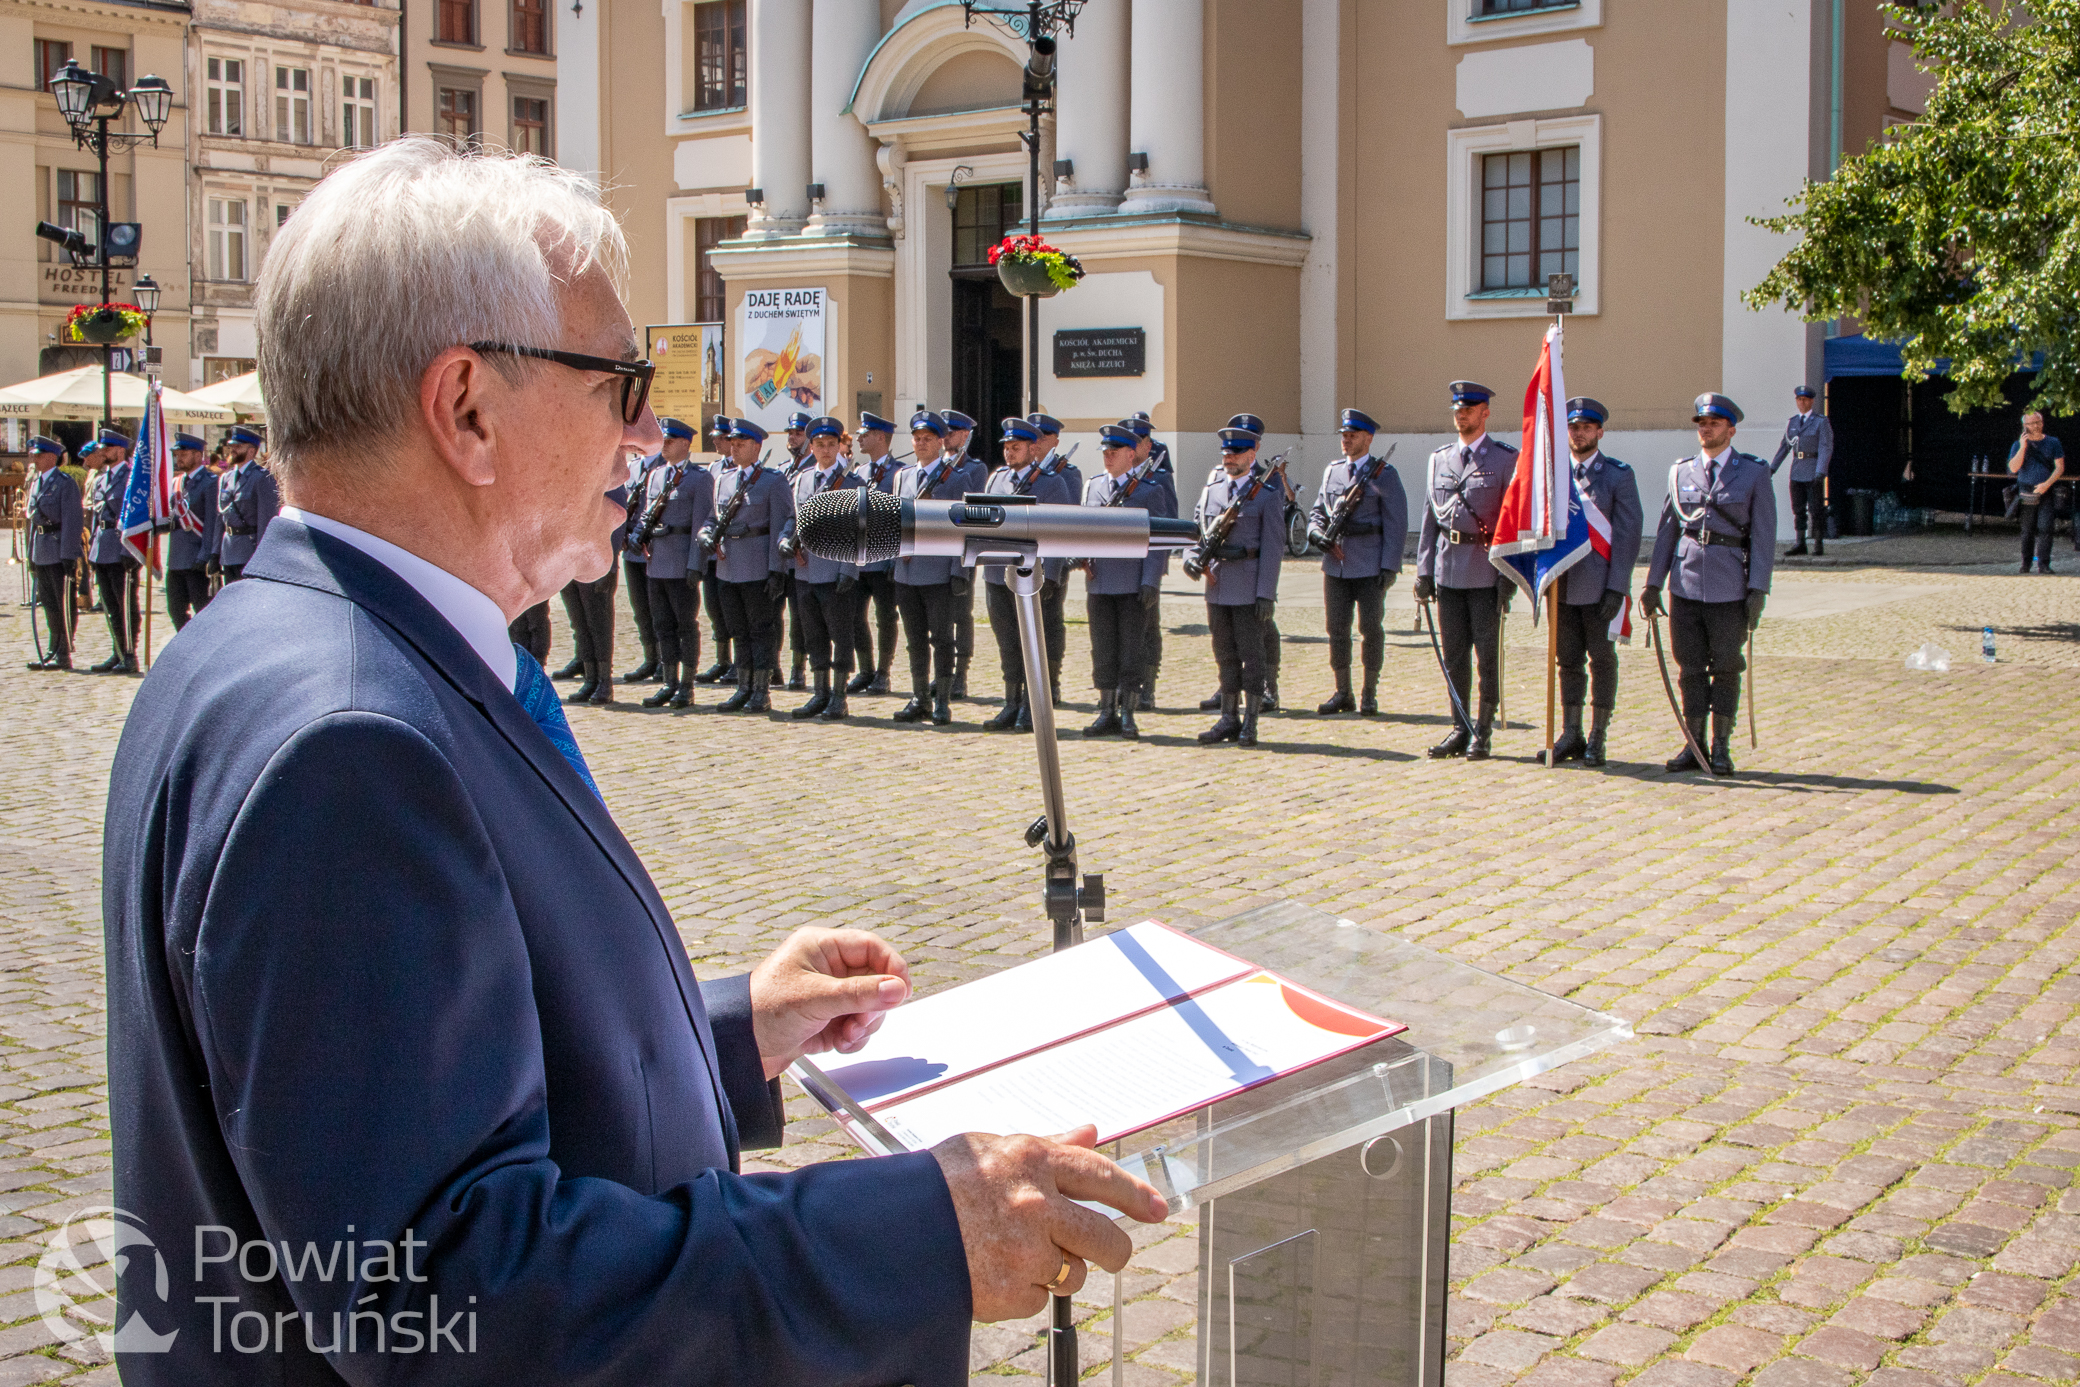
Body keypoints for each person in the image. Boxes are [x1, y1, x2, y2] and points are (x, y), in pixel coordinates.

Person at [104, 138, 1163, 1387]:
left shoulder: (305, 644)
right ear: (467, 410)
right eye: (620, 378)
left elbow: (412, 1076)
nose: (650, 429)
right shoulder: (350, 739)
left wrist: (720, 1033)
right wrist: (918, 1229)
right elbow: (452, 1290)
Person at [1640, 392, 1776, 775]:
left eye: (1714, 423)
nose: (1706, 429)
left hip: (1730, 585)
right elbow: (1668, 531)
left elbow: (1764, 537)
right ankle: (1693, 743)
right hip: (1685, 584)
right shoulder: (1680, 471)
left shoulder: (1753, 473)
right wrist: (1653, 584)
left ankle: (1720, 746)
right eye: (1701, 423)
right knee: (1690, 668)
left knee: (1727, 666)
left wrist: (1758, 589)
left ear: (1731, 431)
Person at [1414, 382, 1517, 760]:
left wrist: (1510, 572)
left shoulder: (1505, 459)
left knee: (1487, 656)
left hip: (1487, 571)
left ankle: (1483, 731)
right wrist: (1424, 569)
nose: (1462, 413)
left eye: (1470, 408)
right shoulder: (1439, 459)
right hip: (1448, 569)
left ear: (1485, 412)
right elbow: (1429, 520)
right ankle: (1460, 726)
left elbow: (1513, 521)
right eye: (1458, 407)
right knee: (1454, 655)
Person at [1541, 398, 1642, 767]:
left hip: (1600, 586)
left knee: (1601, 659)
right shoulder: (1552, 476)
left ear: (1599, 432)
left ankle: (1598, 735)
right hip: (1561, 585)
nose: (1578, 433)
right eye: (1573, 427)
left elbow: (1629, 536)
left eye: (1585, 427)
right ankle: (1571, 731)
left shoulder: (1617, 475)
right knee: (1566, 660)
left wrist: (1618, 587)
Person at [1306, 407, 1407, 716]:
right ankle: (1342, 691)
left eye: (1352, 435)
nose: (1346, 440)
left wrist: (1389, 566)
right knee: (1336, 629)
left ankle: (1369, 692)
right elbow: (1317, 513)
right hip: (1335, 566)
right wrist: (1315, 535)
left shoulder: (1384, 475)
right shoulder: (1332, 471)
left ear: (1369, 438)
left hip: (1369, 564)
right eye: (1344, 435)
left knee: (1370, 628)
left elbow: (1396, 522)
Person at [1082, 422, 1175, 739]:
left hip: (1133, 584)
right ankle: (1106, 710)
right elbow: (1084, 531)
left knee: (1131, 650)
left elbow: (1157, 541)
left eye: (1114, 452)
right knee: (1102, 649)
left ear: (1131, 454)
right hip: (1100, 582)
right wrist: (1081, 558)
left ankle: (1128, 713)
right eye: (1105, 452)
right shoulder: (1093, 487)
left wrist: (1151, 581)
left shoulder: (1149, 490)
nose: (1108, 457)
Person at [1193, 425, 1285, 746]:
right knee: (1224, 655)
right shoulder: (1212, 490)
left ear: (1251, 455)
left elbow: (1273, 549)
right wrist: (1193, 558)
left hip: (1248, 588)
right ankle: (1228, 718)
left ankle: (1251, 721)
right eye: (1225, 453)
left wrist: (1266, 594)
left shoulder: (1267, 496)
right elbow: (1199, 531)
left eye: (1235, 453)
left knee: (1252, 656)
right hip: (1217, 586)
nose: (1228, 458)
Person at [983, 417, 1075, 731]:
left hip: (1031, 576)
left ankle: (1031, 705)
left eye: (1016, 447)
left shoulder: (1051, 483)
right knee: (1007, 642)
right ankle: (1010, 701)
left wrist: (1052, 574)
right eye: (1007, 448)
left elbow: (1059, 531)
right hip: (998, 574)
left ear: (1032, 449)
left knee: (1034, 642)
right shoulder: (996, 480)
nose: (1009, 453)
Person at [891, 410, 976, 725]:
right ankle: (919, 697)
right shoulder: (902, 476)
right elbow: (894, 523)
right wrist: (893, 560)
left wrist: (959, 571)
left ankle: (942, 700)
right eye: (917, 438)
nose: (922, 443)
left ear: (941, 442)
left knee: (941, 638)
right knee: (914, 640)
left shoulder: (955, 478)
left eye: (928, 439)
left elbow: (963, 528)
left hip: (939, 571)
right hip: (907, 571)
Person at [782, 415, 864, 720]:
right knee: (811, 632)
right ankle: (819, 693)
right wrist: (783, 540)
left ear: (839, 447)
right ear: (812, 447)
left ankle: (839, 696)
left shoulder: (852, 483)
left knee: (840, 633)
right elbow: (793, 518)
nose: (825, 450)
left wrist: (849, 570)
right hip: (805, 568)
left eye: (831, 444)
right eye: (819, 444)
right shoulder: (802, 480)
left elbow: (858, 530)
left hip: (834, 569)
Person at [710, 417, 793, 713]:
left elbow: (781, 524)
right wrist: (706, 533)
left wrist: (777, 570)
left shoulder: (773, 480)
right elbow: (713, 518)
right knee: (738, 630)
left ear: (757, 446)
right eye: (732, 443)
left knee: (761, 630)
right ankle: (742, 687)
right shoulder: (722, 480)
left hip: (758, 568)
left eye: (741, 443)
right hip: (728, 567)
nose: (734, 448)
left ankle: (761, 690)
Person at [637, 417, 717, 708]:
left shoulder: (699, 478)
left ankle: (687, 685)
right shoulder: (656, 475)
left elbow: (702, 522)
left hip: (682, 562)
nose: (665, 446)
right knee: (662, 625)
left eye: (669, 441)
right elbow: (647, 516)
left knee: (685, 625)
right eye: (663, 441)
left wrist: (696, 565)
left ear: (685, 443)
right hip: (657, 562)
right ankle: (669, 682)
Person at [559, 461, 626, 705]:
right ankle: (589, 679)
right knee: (580, 622)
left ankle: (604, 682)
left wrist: (609, 562)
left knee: (599, 623)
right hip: (570, 561)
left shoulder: (606, 473)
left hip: (596, 561)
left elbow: (618, 519)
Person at [847, 411, 903, 695]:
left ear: (880, 437)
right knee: (856, 616)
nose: (859, 438)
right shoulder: (858, 473)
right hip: (860, 560)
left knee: (885, 617)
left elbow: (900, 520)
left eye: (865, 434)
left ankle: (883, 672)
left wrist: (894, 557)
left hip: (884, 559)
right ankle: (865, 669)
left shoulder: (899, 473)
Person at [1124, 413, 1172, 710]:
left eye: (1136, 441)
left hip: (1146, 565)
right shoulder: (1114, 477)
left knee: (1148, 628)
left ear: (1147, 445)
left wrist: (1155, 573)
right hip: (1119, 567)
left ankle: (1148, 686)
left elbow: (1167, 526)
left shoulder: (1160, 478)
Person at [21, 435, 81, 671]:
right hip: (41, 548)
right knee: (48, 603)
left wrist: (69, 554)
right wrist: (30, 554)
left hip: (58, 549)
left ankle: (64, 651)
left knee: (63, 603)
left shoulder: (65, 483)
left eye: (38, 455)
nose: (33, 459)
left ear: (51, 457)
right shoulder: (36, 482)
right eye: (33, 455)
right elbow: (32, 521)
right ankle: (52, 648)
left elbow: (72, 520)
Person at [83, 430, 140, 673]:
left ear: (119, 451)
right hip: (102, 547)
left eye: (107, 448)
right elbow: (97, 517)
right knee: (109, 605)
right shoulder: (100, 479)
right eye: (101, 449)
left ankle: (129, 653)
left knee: (125, 604)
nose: (102, 453)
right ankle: (117, 650)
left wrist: (132, 552)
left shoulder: (130, 478)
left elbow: (136, 517)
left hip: (121, 549)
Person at [692, 413, 737, 684]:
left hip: (734, 553)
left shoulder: (744, 471)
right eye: (716, 438)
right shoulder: (713, 470)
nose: (717, 442)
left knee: (733, 610)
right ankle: (723, 659)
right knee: (714, 608)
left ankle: (739, 663)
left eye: (721, 438)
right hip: (713, 554)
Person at [941, 407, 982, 698]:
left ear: (965, 436)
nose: (946, 437)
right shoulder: (933, 465)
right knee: (938, 618)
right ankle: (941, 673)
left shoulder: (973, 469)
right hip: (935, 552)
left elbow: (973, 515)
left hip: (960, 551)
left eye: (951, 432)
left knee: (961, 613)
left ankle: (961, 673)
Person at [618, 443, 666, 683]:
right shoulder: (631, 468)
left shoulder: (666, 467)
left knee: (658, 608)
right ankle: (650, 658)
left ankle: (663, 660)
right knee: (640, 609)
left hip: (654, 549)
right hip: (631, 549)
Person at [165, 433, 221, 630]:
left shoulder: (210, 482)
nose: (178, 458)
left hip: (197, 558)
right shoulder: (177, 483)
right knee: (175, 609)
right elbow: (174, 517)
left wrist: (206, 554)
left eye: (183, 454)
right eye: (177, 454)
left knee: (203, 610)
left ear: (198, 455)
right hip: (176, 557)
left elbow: (212, 522)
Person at [1770, 385, 1833, 557]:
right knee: (1798, 509)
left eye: (1805, 399)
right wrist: (1771, 469)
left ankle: (1818, 543)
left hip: (1813, 469)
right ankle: (1800, 542)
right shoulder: (1792, 422)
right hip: (1797, 469)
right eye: (1799, 399)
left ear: (1811, 401)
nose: (1802, 402)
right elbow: (1785, 447)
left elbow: (1825, 447)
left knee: (1816, 509)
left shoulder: (1820, 421)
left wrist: (1821, 471)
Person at [215, 424, 279, 582]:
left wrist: (262, 557)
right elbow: (220, 518)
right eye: (232, 446)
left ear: (252, 451)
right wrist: (214, 553)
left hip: (248, 553)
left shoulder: (262, 478)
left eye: (238, 446)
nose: (233, 450)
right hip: (228, 551)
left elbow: (266, 520)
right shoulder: (226, 478)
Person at [782, 408, 816, 690]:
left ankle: (799, 667)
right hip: (780, 553)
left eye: (797, 433)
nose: (792, 438)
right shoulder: (785, 469)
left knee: (800, 615)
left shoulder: (814, 470)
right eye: (790, 433)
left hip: (803, 554)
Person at [2008, 410, 2066, 575]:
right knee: (2027, 530)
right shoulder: (2017, 445)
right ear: (2024, 426)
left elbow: (2060, 467)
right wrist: (2023, 447)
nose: (2035, 426)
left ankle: (2044, 564)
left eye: (2037, 422)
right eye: (2031, 423)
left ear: (2042, 423)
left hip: (2045, 491)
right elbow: (2013, 468)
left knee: (2046, 528)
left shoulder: (2053, 442)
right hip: (2026, 492)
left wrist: (2046, 484)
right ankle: (2026, 563)